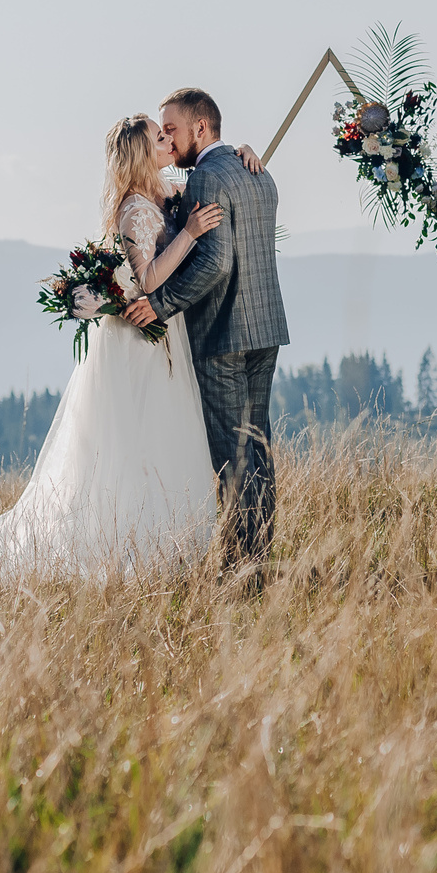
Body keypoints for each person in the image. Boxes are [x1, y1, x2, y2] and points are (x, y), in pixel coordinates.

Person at [0, 115, 224, 580]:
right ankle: (133, 553)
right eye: (159, 136)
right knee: (140, 442)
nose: (167, 139)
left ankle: (166, 553)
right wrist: (189, 233)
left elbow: (206, 164)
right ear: (141, 153)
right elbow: (148, 278)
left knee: (165, 439)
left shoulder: (162, 193)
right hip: (140, 339)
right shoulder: (135, 209)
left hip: (163, 334)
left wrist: (242, 152)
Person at [125, 86, 288, 576]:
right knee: (255, 444)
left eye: (171, 129)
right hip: (265, 328)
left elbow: (216, 265)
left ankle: (242, 564)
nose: (168, 141)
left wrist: (160, 304)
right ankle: (257, 558)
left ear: (201, 127)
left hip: (222, 333)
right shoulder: (259, 174)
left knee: (231, 452)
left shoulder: (204, 180)